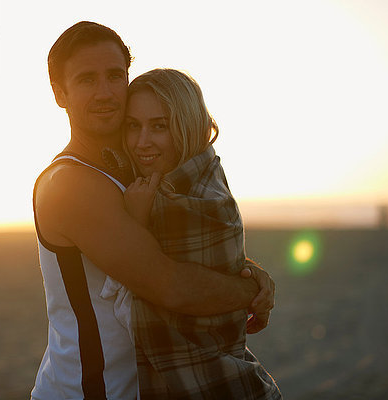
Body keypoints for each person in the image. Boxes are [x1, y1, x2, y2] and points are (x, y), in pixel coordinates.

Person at [31, 21, 276, 400]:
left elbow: (178, 249)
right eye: (86, 80)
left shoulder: (134, 167)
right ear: (59, 93)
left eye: (115, 76)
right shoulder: (69, 184)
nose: (106, 92)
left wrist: (251, 270)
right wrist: (250, 288)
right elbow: (170, 285)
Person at [121, 69, 282, 399]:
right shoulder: (208, 171)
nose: (142, 142)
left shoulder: (173, 200)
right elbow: (210, 263)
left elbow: (163, 283)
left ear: (187, 125)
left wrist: (135, 220)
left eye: (159, 126)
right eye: (133, 125)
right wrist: (253, 280)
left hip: (207, 387)